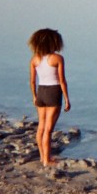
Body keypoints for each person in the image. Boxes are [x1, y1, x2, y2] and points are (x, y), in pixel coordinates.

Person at [28, 28, 71, 166]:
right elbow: (62, 80)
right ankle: (47, 160)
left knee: (41, 127)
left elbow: (32, 81)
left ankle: (42, 157)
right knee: (48, 129)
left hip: (41, 91)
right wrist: (66, 99)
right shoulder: (57, 58)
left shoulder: (35, 59)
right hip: (53, 91)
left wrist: (34, 96)